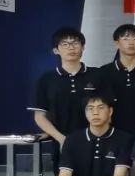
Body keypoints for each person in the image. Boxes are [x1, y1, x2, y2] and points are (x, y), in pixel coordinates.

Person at [29, 27, 99, 160]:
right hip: (61, 143)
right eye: (65, 44)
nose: (71, 48)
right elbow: (39, 117)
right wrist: (61, 138)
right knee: (64, 173)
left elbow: (107, 110)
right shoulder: (46, 79)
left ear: (83, 47)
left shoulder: (97, 75)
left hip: (96, 142)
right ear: (56, 50)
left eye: (75, 43)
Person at [98, 23, 135, 134]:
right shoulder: (105, 71)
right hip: (113, 132)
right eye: (126, 39)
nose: (131, 42)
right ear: (117, 43)